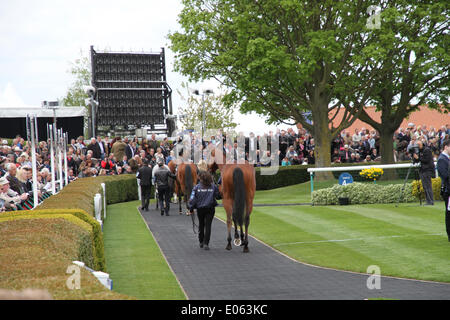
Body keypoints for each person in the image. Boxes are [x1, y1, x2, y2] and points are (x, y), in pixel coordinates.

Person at [188, 170, 221, 250]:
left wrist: (191, 208)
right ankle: (206, 243)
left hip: (200, 209)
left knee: (201, 224)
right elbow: (218, 197)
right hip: (210, 209)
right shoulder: (213, 186)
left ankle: (201, 241)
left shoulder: (196, 187)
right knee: (208, 225)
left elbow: (192, 199)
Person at [413, 140, 435, 205]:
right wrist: (415, 157)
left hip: (427, 170)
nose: (417, 147)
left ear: (421, 144)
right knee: (425, 186)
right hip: (422, 170)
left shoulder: (427, 150)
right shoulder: (419, 151)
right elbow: (417, 161)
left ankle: (430, 201)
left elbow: (426, 160)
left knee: (428, 185)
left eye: (418, 145)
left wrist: (418, 158)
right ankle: (428, 200)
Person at [436, 139, 450, 241]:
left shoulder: (446, 159)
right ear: (446, 147)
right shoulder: (442, 159)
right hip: (448, 190)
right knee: (449, 213)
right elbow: (445, 175)